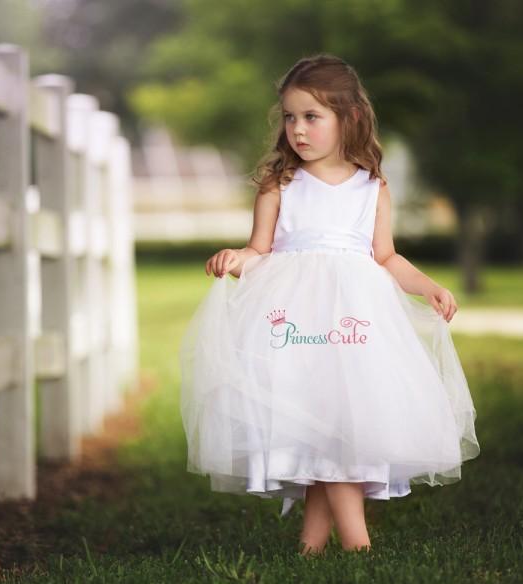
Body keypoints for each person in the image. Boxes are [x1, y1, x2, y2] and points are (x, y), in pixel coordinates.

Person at [178, 53, 480, 556]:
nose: (298, 129)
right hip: (295, 321)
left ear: (350, 119)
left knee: (339, 427)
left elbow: (384, 256)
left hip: (356, 322)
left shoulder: (372, 188)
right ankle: (354, 544)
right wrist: (236, 258)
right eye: (291, 117)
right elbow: (260, 251)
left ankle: (313, 545)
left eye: (312, 117)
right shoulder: (281, 186)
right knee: (318, 425)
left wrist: (426, 285)